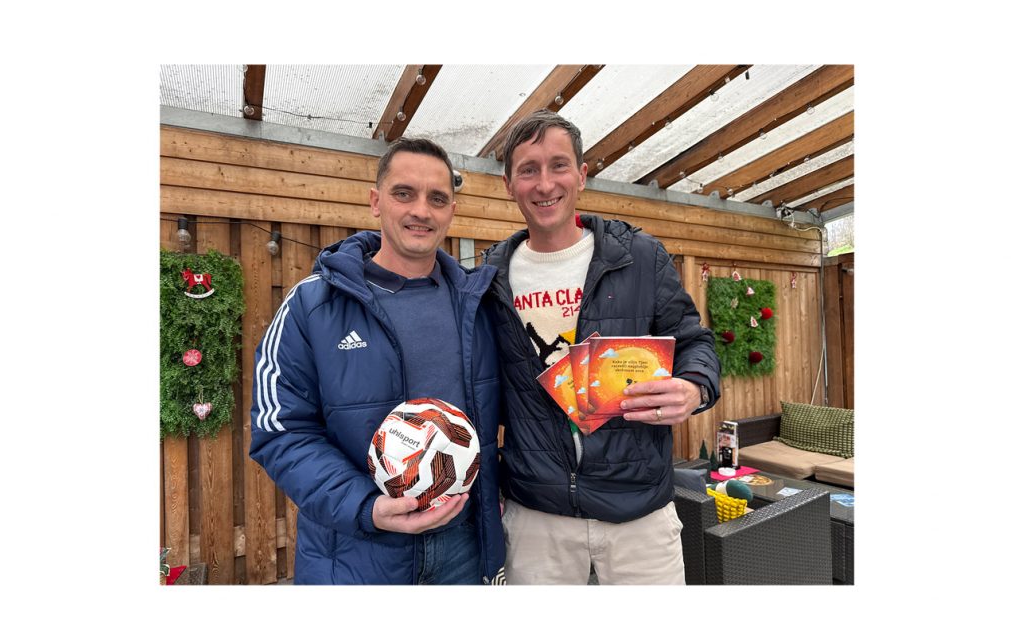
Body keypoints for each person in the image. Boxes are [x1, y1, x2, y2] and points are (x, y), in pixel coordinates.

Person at [249, 138, 505, 584]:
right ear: (375, 201)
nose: (421, 211)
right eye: (404, 193)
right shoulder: (312, 305)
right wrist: (366, 507)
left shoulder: (480, 304)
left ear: (452, 211)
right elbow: (280, 430)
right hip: (356, 552)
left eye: (437, 199)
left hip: (463, 548)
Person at [483, 109, 721, 585]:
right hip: (538, 517)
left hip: (640, 514)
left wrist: (694, 387)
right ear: (508, 184)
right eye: (528, 170)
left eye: (558, 165)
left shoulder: (639, 257)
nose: (545, 183)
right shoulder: (489, 279)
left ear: (582, 174)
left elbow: (695, 341)